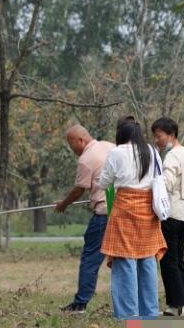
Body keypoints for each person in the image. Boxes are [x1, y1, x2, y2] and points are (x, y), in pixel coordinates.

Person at [99, 119, 168, 319]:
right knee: (148, 261)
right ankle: (150, 313)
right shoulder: (152, 151)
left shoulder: (117, 152)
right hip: (148, 212)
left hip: (125, 211)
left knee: (125, 262)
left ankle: (129, 316)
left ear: (121, 135)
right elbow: (159, 177)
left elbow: (105, 181)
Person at [55, 125, 115, 313]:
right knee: (124, 260)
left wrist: (63, 204)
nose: (71, 149)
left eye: (71, 145)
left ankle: (80, 304)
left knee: (90, 258)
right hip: (121, 212)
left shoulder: (86, 159)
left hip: (103, 214)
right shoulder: (110, 146)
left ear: (81, 141)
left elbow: (79, 189)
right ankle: (130, 306)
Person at [152, 117, 184, 316]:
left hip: (172, 214)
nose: (156, 140)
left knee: (169, 261)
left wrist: (152, 185)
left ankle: (176, 306)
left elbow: (166, 183)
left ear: (171, 134)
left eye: (159, 136)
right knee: (178, 260)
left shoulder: (172, 156)